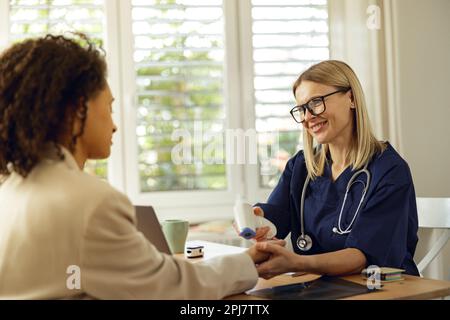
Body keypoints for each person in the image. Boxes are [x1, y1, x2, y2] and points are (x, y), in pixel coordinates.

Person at [0, 34, 284, 299]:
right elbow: (169, 287)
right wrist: (245, 264)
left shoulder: (11, 190)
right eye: (109, 108)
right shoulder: (91, 202)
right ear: (77, 109)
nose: (114, 125)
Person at [250, 60, 419, 279]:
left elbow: (363, 256)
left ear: (351, 98)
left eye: (316, 103)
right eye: (302, 109)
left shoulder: (389, 170)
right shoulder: (301, 167)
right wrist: (257, 220)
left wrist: (299, 262)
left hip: (381, 288)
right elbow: (277, 218)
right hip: (321, 287)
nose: (308, 117)